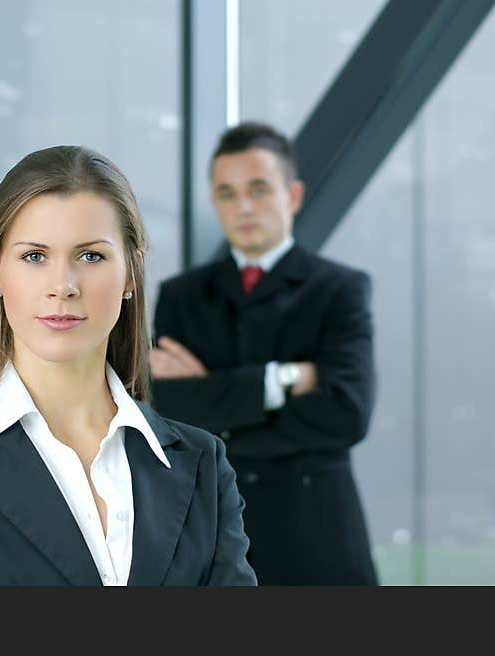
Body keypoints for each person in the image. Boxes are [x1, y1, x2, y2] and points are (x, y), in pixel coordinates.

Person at [0, 145, 257, 586]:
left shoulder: (204, 464)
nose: (63, 286)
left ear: (131, 274)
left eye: (91, 256)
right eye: (34, 257)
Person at [149, 122, 377, 585]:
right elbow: (170, 418)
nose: (244, 207)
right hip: (213, 533)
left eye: (258, 189)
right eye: (227, 193)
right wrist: (281, 382)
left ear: (292, 195)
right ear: (214, 202)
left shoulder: (339, 290)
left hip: (317, 534)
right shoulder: (182, 296)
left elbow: (347, 415)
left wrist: (215, 400)